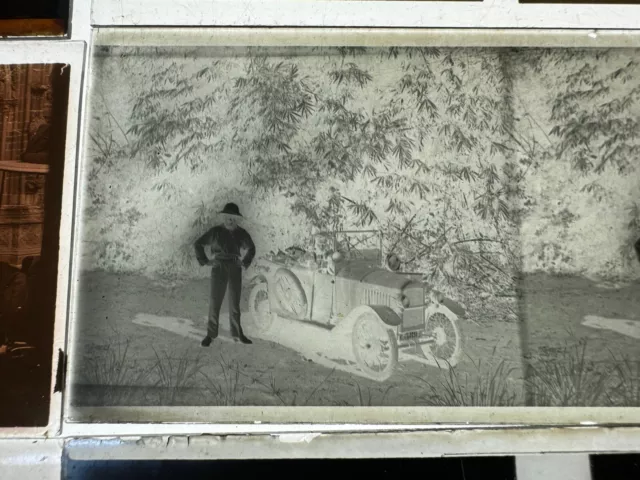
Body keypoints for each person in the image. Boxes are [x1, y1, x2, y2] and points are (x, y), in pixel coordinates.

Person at [194, 202, 256, 346]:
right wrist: (205, 261)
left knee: (234, 303)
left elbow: (251, 248)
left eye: (234, 218)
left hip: (235, 267)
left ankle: (237, 334)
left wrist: (245, 262)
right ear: (224, 217)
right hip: (219, 266)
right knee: (215, 301)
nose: (231, 221)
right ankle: (211, 334)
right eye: (228, 218)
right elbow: (198, 244)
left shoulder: (241, 233)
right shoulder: (215, 231)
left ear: (237, 219)